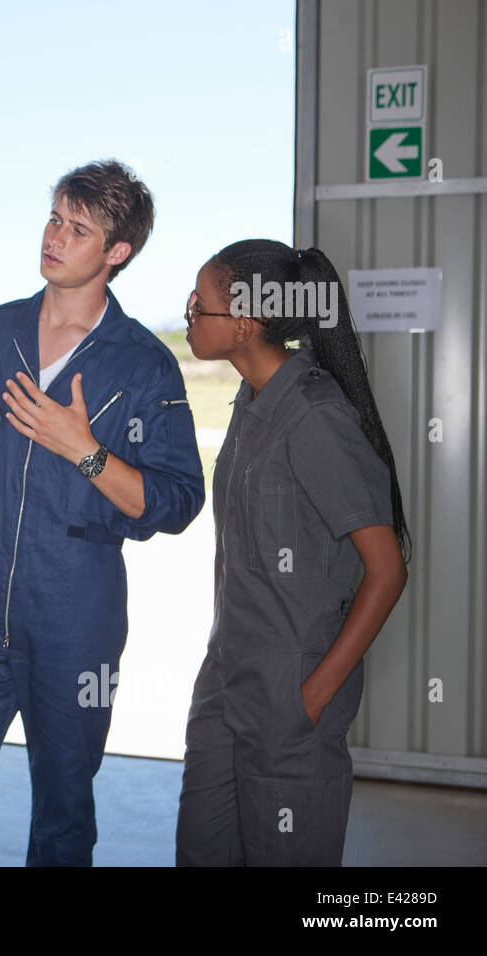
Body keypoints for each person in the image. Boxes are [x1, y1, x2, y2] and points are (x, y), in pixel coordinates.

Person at [0, 159, 205, 866]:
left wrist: (83, 451)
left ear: (117, 253)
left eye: (78, 228)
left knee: (62, 812)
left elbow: (176, 503)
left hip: (75, 617)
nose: (55, 236)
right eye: (55, 218)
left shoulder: (144, 364)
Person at [174, 239, 410, 866]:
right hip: (227, 679)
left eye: (202, 304)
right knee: (203, 849)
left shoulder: (313, 415)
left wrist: (311, 695)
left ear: (245, 323)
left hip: (291, 691)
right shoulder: (250, 403)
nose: (190, 313)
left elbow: (388, 572)